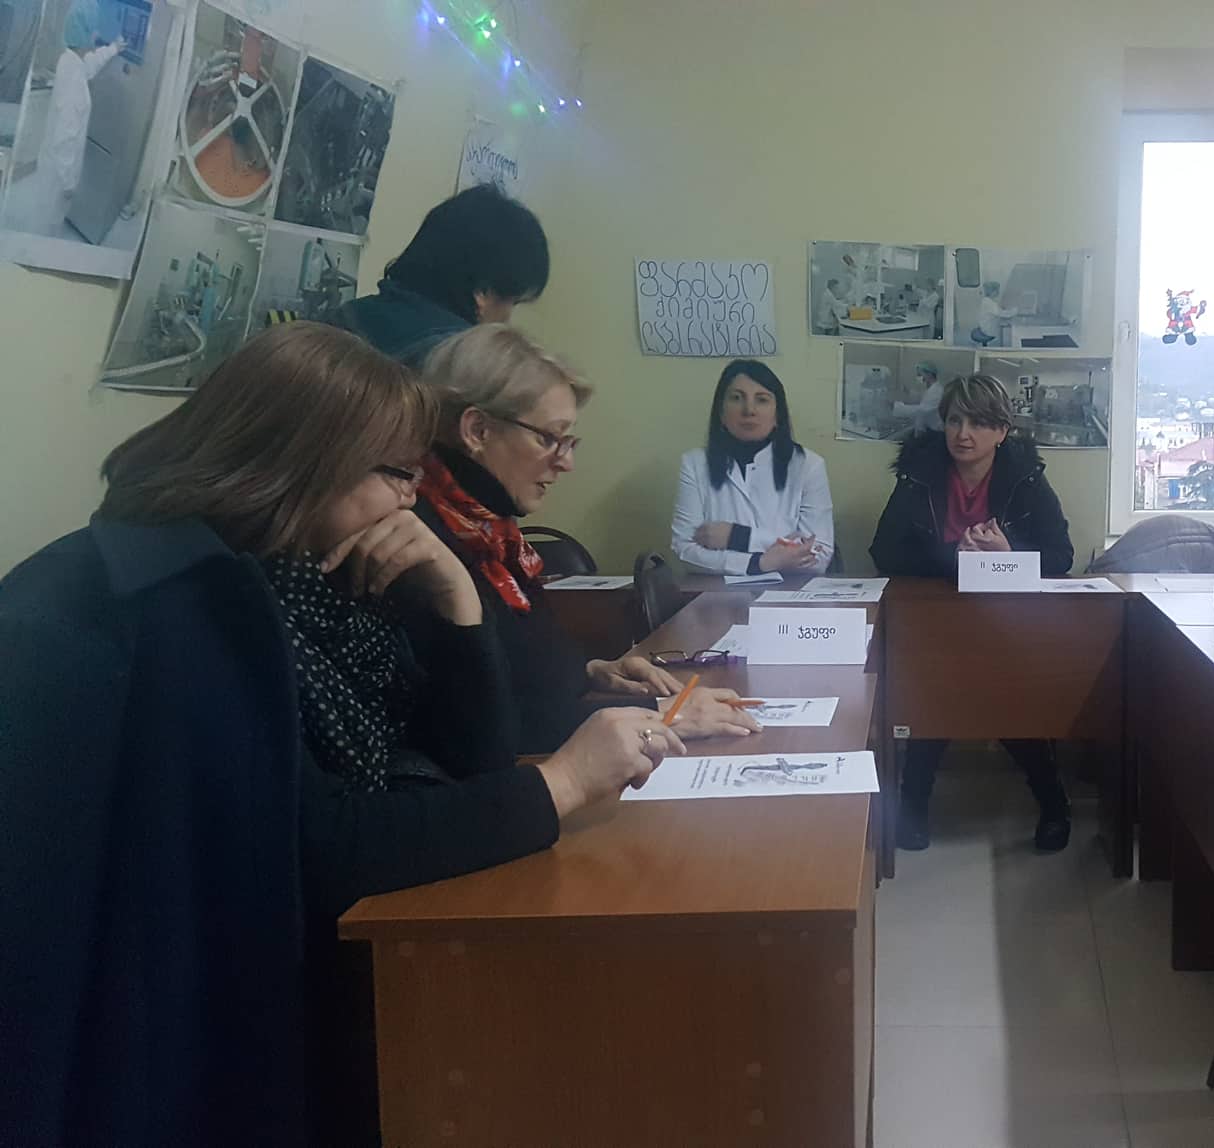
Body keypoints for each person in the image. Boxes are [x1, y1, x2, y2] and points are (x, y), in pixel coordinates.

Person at [0, 324, 690, 1147]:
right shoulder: (186, 603)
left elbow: (470, 761)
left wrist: (457, 602)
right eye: (398, 474)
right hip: (186, 1039)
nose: (411, 500)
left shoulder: (299, 575)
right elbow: (323, 848)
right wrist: (564, 783)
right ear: (306, 460)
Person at [419, 325, 761, 754]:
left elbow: (523, 669)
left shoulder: (492, 533)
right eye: (548, 438)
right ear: (477, 430)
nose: (566, 463)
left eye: (568, 441)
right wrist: (663, 716)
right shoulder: (424, 546)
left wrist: (590, 671)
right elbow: (486, 728)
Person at [871, 374, 1074, 851]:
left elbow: (1060, 556)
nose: (964, 434)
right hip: (935, 620)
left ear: (1002, 431)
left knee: (1010, 696)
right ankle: (913, 803)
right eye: (955, 421)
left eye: (979, 423)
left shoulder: (1025, 475)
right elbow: (885, 551)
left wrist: (1008, 554)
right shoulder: (919, 472)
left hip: (1006, 621)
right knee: (935, 692)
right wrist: (954, 558)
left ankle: (1053, 803)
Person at [334, 185, 549, 366]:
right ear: (482, 293)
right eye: (514, 302)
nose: (508, 320)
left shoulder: (343, 318)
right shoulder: (466, 369)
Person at [671, 359, 836, 575]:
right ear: (721, 412)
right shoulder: (694, 464)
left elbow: (818, 554)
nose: (749, 410)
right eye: (736, 398)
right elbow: (684, 550)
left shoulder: (808, 466)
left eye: (762, 400)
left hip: (788, 592)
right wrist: (759, 563)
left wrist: (737, 536)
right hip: (716, 592)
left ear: (777, 415)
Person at [2, 1, 122, 237]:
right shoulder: (74, 82)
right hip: (58, 174)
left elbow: (88, 66)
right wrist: (68, 182)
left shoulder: (69, 60)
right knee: (47, 224)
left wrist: (114, 48)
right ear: (86, 32)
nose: (97, 33)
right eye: (94, 28)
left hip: (50, 167)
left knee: (43, 215)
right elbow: (65, 136)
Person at [892, 360, 945, 434]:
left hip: (934, 431)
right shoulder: (932, 388)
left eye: (919, 374)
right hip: (929, 428)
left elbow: (921, 410)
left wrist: (896, 406)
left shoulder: (936, 391)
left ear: (929, 374)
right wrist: (908, 392)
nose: (918, 377)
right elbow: (922, 397)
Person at [971, 280, 1018, 346]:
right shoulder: (990, 303)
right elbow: (1003, 314)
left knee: (1003, 324)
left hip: (984, 328)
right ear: (993, 292)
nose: (998, 292)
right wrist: (1016, 310)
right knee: (1006, 330)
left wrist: (1002, 310)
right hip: (988, 332)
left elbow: (996, 311)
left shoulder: (985, 300)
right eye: (997, 290)